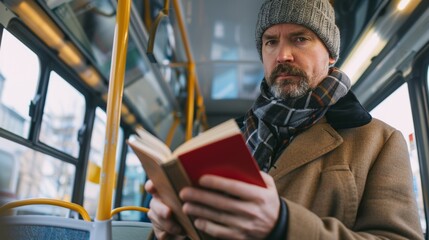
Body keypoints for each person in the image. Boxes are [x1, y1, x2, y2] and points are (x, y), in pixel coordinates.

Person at [145, 0, 424, 239]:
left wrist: (283, 225)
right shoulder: (231, 141)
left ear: (330, 55)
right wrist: (167, 229)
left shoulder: (379, 142)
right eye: (270, 42)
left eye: (300, 38)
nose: (282, 55)